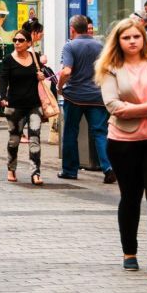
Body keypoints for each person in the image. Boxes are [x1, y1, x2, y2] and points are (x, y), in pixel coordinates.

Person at [97, 18, 147, 281]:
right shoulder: (110, 68)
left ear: (144, 38)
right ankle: (129, 253)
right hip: (123, 141)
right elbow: (113, 106)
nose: (132, 41)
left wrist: (145, 114)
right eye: (126, 38)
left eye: (136, 37)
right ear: (118, 41)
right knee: (130, 196)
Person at [58, 15, 114, 183]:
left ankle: (70, 170)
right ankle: (108, 167)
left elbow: (66, 71)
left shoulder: (70, 46)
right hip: (97, 97)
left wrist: (60, 87)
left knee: (70, 133)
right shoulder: (100, 46)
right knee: (100, 133)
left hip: (74, 97)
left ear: (72, 29)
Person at [0, 29, 46, 186]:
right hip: (15, 106)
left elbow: (43, 75)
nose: (17, 43)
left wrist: (41, 76)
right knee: (14, 140)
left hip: (34, 105)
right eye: (15, 40)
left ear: (28, 43)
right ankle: (11, 168)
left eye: (20, 40)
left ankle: (35, 172)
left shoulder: (35, 58)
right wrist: (3, 98)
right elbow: (3, 81)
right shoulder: (8, 61)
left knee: (35, 138)